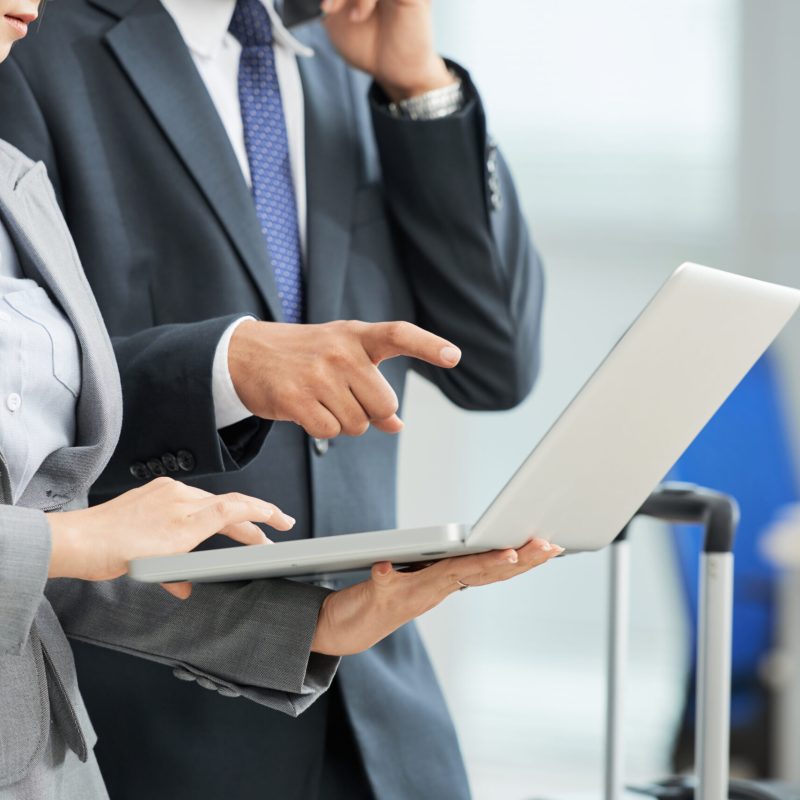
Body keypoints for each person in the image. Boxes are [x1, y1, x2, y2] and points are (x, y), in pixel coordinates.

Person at [0, 0, 546, 797]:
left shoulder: (345, 57)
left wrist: (417, 89)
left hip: (372, 694)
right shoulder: (34, 40)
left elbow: (493, 363)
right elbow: (33, 407)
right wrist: (224, 365)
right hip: (151, 709)